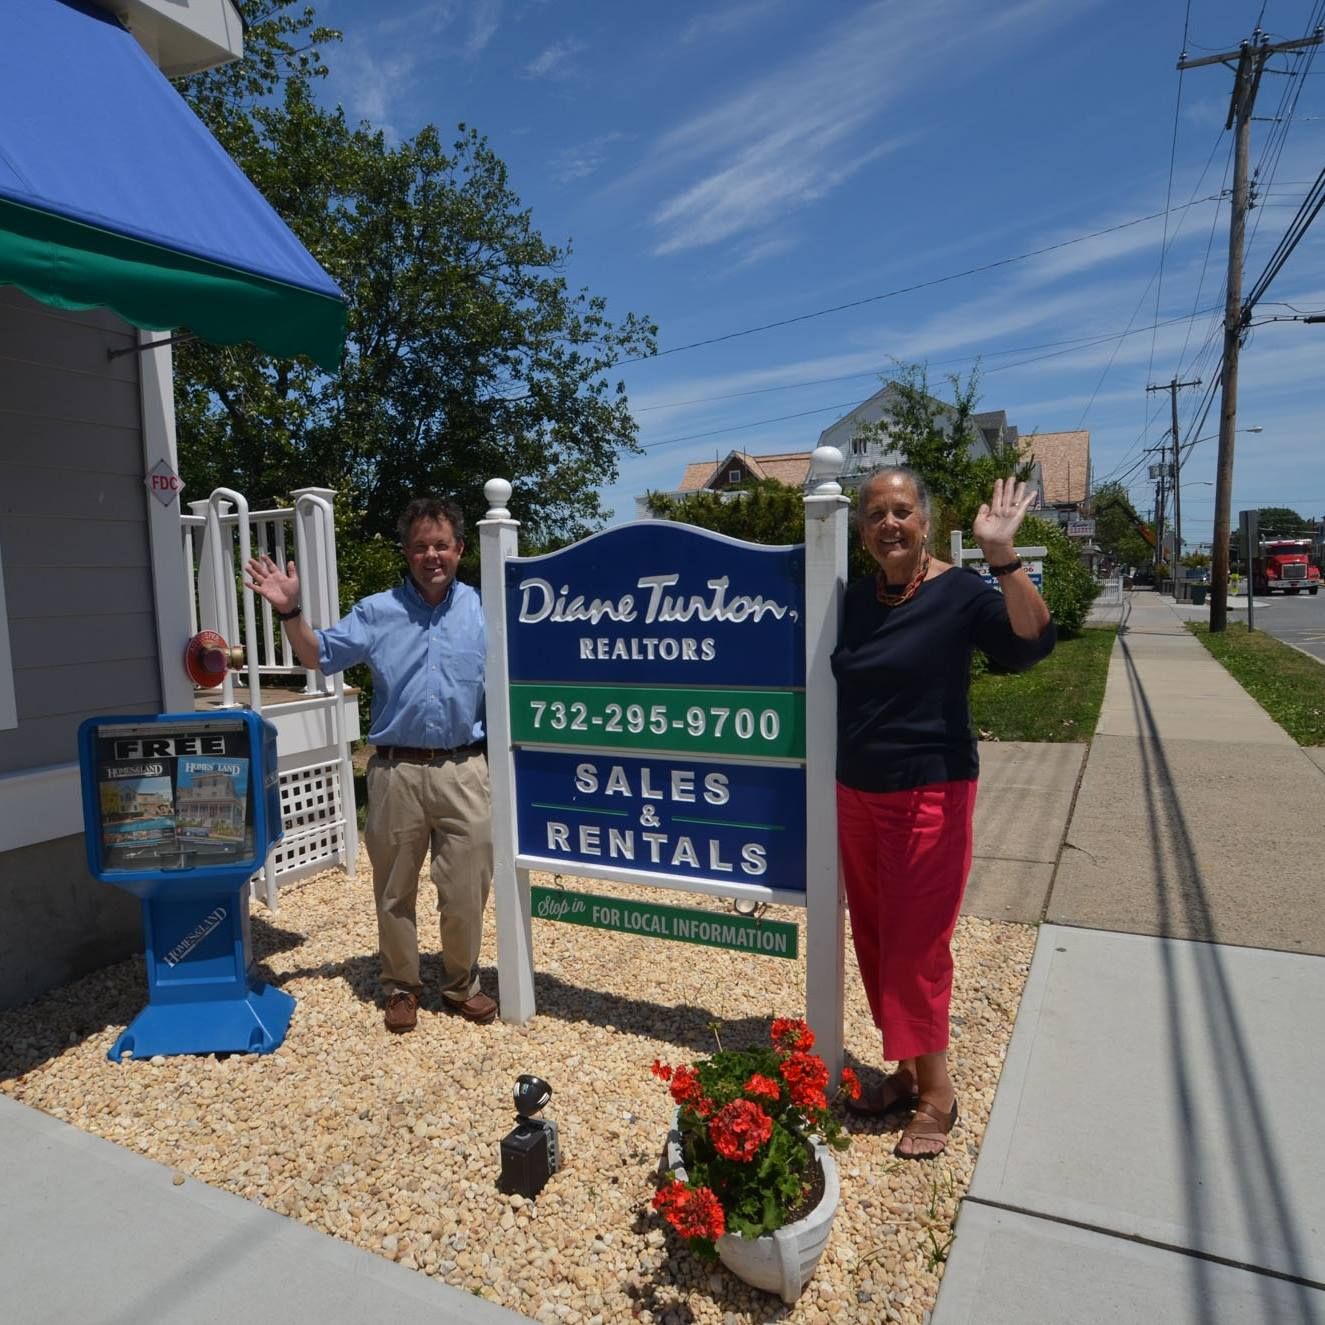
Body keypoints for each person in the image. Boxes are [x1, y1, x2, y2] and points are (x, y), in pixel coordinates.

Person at [832, 467, 1054, 1158]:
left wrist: (1001, 556)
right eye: (876, 514)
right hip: (856, 792)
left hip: (928, 791)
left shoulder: (958, 592)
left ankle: (938, 1092)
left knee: (915, 946)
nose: (889, 524)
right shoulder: (854, 599)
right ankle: (906, 1069)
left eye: (902, 511)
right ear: (861, 530)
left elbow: (1029, 645)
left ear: (925, 522)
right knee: (875, 938)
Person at [245, 497, 495, 1033]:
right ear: (407, 552)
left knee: (467, 889)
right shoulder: (377, 612)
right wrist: (289, 611)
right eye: (421, 546)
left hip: (465, 769)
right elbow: (318, 655)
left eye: (442, 545)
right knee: (394, 891)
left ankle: (461, 983)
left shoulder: (485, 608)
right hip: (395, 772)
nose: (432, 556)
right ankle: (401, 985)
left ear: (459, 549)